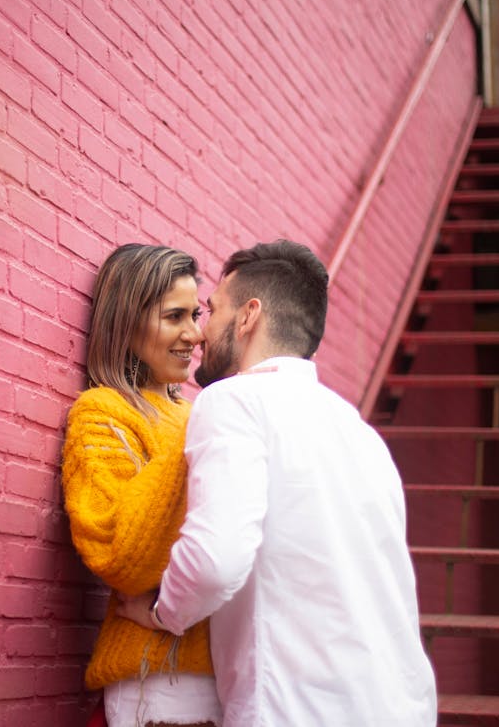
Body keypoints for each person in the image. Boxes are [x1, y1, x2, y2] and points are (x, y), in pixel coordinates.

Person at [117, 240, 437, 725]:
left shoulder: (235, 402)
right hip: (401, 708)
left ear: (248, 317)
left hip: (297, 711)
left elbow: (215, 558)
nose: (201, 334)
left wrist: (164, 611)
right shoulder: (361, 433)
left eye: (212, 310)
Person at [62, 244, 221, 727]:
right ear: (127, 324)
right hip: (161, 684)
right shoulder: (103, 412)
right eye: (174, 316)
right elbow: (118, 556)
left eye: (195, 314)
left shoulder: (198, 415)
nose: (194, 334)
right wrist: (209, 429)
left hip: (225, 676)